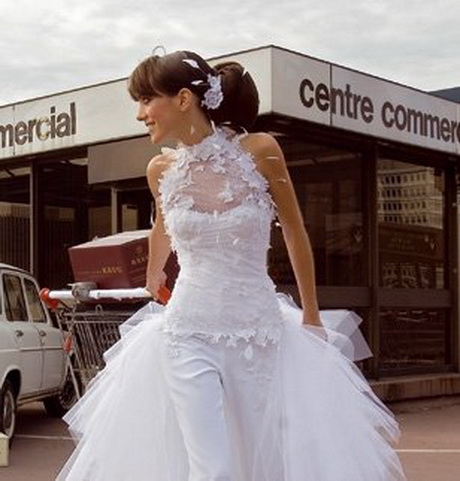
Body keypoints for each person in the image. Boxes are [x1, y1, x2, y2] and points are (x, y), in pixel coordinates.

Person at [56, 50, 407, 481]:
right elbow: (163, 229)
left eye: (147, 100)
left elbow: (295, 231)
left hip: (258, 329)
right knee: (212, 468)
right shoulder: (160, 168)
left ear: (185, 99)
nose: (140, 113)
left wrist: (312, 315)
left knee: (264, 457)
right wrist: (151, 275)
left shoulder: (260, 150)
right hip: (186, 330)